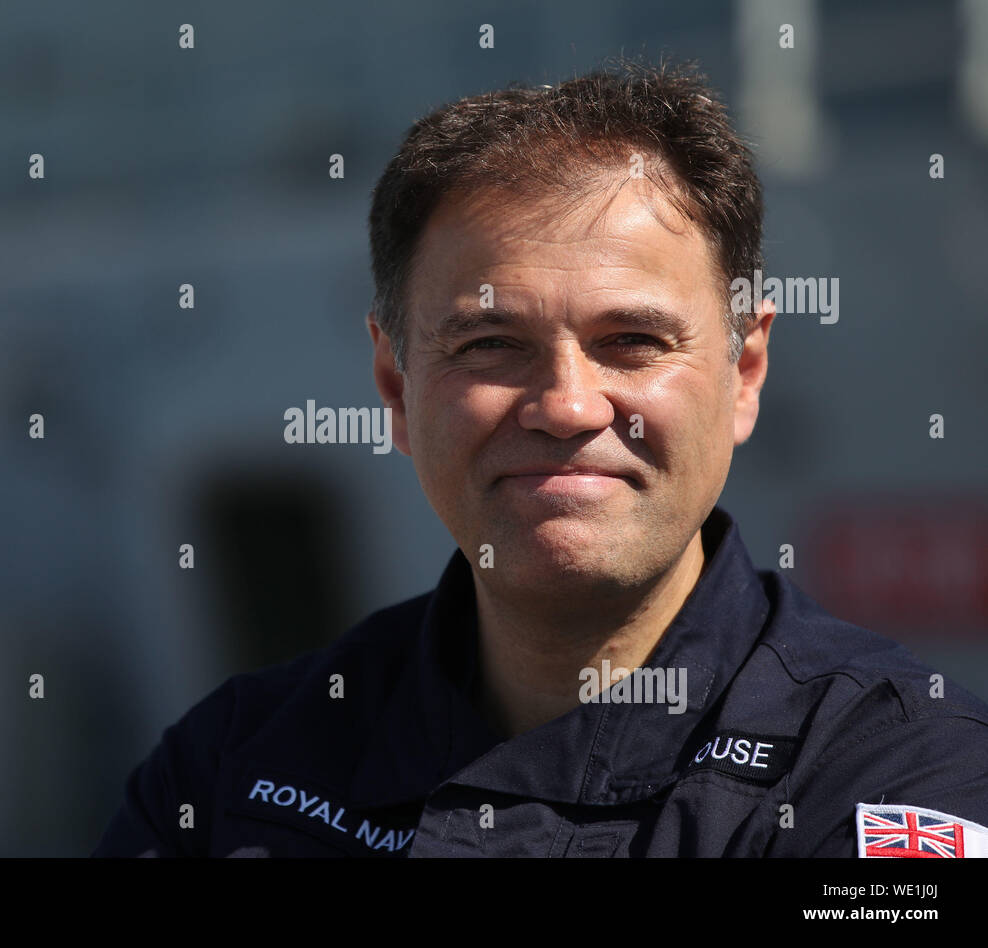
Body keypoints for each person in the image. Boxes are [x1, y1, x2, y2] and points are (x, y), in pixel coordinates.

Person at [94, 59, 988, 857]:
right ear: (396, 385)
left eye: (633, 340)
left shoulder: (900, 782)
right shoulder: (229, 771)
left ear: (742, 370)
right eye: (489, 344)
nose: (566, 406)